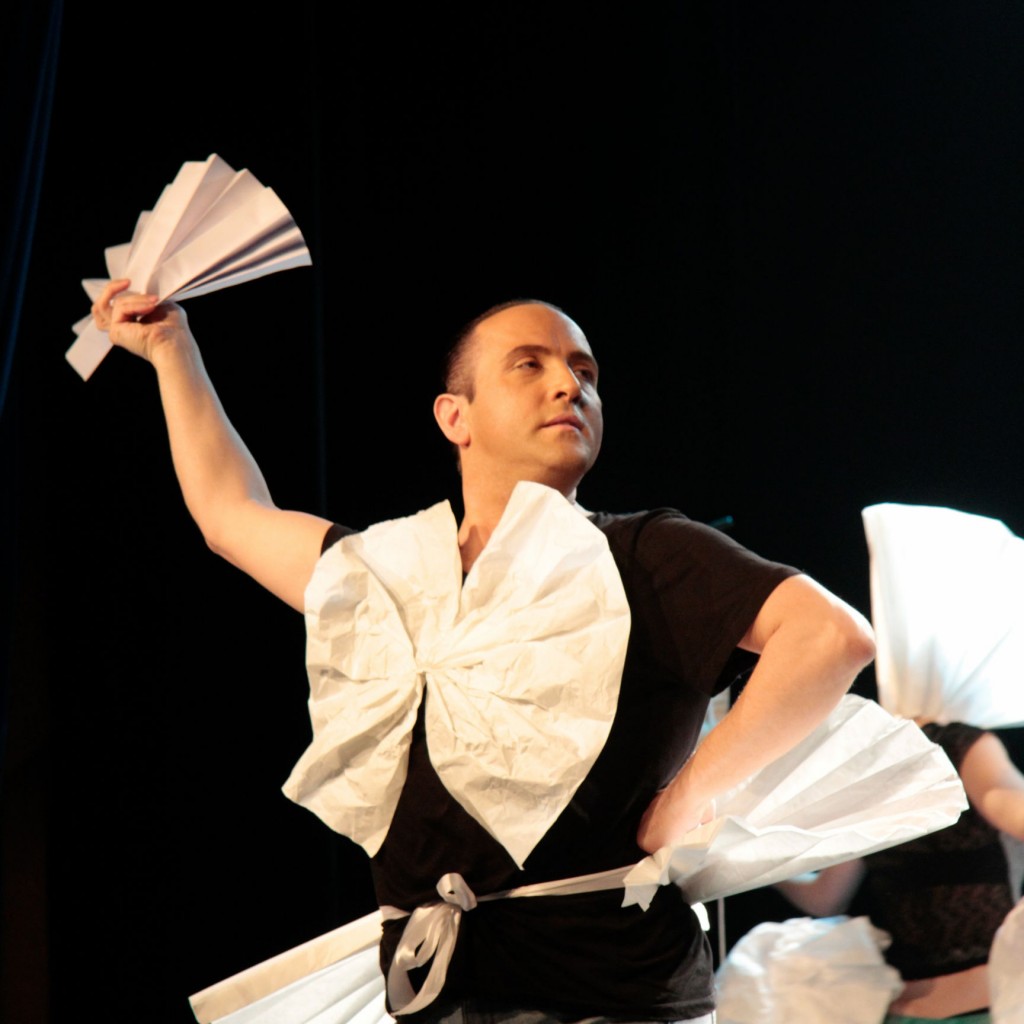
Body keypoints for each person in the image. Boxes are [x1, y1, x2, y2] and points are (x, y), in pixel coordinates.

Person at [91, 279, 876, 1024]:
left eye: (585, 373)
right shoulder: (385, 575)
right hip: (446, 993)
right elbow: (230, 515)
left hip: (608, 993)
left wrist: (690, 796)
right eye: (529, 365)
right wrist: (171, 348)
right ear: (454, 417)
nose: (569, 386)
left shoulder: (642, 553)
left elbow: (829, 636)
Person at [776, 720, 1024, 1023]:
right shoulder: (947, 745)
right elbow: (827, 898)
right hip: (967, 1007)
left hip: (944, 1008)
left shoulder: (872, 761)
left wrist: (760, 865)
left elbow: (825, 898)